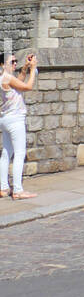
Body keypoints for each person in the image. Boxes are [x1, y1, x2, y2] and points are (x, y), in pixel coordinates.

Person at [1, 51, 37, 199]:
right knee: (19, 153)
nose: (15, 64)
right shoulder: (7, 77)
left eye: (16, 61)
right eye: (12, 62)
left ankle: (3, 187)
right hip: (15, 120)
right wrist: (33, 70)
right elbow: (27, 87)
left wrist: (24, 69)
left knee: (6, 153)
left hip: (5, 119)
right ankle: (17, 190)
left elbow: (18, 84)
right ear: (3, 65)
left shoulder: (3, 78)